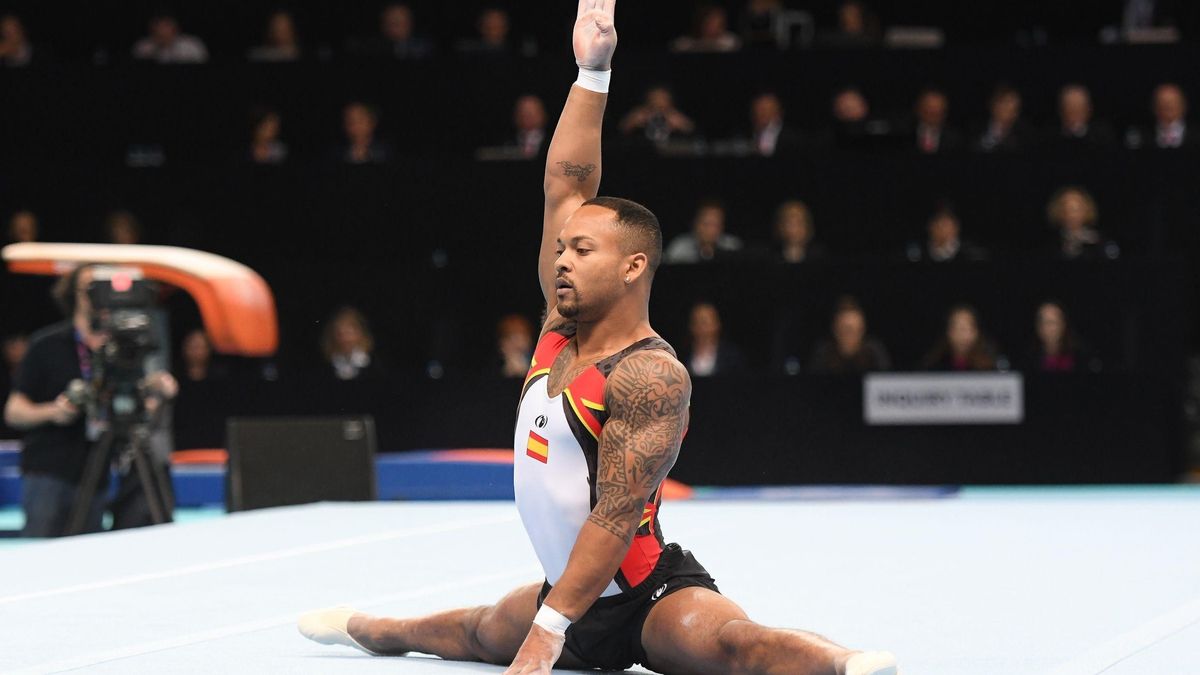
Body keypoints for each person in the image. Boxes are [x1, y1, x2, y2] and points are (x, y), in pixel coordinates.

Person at [299, 4, 897, 674]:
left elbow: (614, 517)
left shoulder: (651, 374)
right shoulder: (558, 328)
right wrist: (592, 70)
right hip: (566, 590)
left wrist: (548, 631)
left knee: (736, 647)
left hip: (645, 594)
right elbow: (566, 183)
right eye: (562, 248)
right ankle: (371, 626)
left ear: (633, 265)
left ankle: (848, 664)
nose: (561, 259)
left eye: (582, 250)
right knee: (467, 631)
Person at [3, 264, 178, 537]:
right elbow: (13, 411)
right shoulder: (45, 345)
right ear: (74, 293)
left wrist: (154, 391)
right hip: (49, 472)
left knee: (87, 559)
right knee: (40, 560)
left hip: (96, 475)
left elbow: (139, 401)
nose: (98, 295)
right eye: (90, 288)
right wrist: (53, 411)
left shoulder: (123, 349)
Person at [809, 297, 891, 373]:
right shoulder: (824, 353)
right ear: (834, 329)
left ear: (863, 329)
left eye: (855, 329)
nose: (850, 335)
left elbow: (887, 380)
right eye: (846, 329)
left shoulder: (873, 352)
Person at [1045, 186, 1119, 261]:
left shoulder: (1099, 242)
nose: (1071, 215)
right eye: (1065, 209)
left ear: (1086, 210)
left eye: (1075, 210)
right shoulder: (1051, 243)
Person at [921, 304, 999, 371]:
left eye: (967, 329)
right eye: (958, 329)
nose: (962, 336)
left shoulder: (990, 368)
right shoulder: (934, 366)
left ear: (976, 332)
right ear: (949, 332)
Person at [663, 199, 744, 264]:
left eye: (715, 224)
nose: (711, 229)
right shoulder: (680, 248)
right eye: (706, 224)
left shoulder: (732, 246)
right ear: (696, 224)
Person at [1029, 301, 1098, 373]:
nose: (1048, 328)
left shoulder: (1082, 358)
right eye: (1043, 322)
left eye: (1053, 322)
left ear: (1063, 324)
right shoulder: (1029, 359)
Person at [904, 203, 988, 263]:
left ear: (956, 226)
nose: (940, 227)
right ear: (929, 226)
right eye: (936, 220)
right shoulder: (916, 255)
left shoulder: (971, 254)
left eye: (945, 222)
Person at [348, 3, 433, 60]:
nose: (394, 28)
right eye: (390, 23)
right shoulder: (370, 49)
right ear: (383, 25)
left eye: (399, 24)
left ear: (409, 24)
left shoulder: (424, 49)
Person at [680, 302, 745, 377]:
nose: (701, 327)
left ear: (717, 325)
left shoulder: (731, 356)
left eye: (704, 322)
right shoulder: (682, 356)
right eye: (696, 322)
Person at [619, 86, 696, 147]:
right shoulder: (640, 115)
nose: (658, 113)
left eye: (663, 108)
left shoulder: (675, 117)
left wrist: (681, 124)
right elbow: (621, 130)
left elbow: (693, 133)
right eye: (653, 106)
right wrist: (633, 121)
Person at [1127, 82, 1195, 150]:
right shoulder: (1140, 138)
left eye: (1172, 104)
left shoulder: (1195, 136)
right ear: (1154, 108)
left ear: (1183, 106)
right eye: (1163, 104)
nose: (1168, 107)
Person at [321, 306, 380, 380]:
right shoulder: (326, 367)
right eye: (339, 333)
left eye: (349, 332)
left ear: (360, 333)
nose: (344, 338)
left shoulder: (376, 365)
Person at [1050, 84, 1115, 149]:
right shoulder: (1050, 137)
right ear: (1061, 111)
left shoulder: (1102, 137)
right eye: (1070, 109)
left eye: (1079, 109)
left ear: (1089, 110)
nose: (1075, 115)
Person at [973, 85, 1032, 153]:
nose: (1012, 114)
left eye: (1015, 109)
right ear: (994, 105)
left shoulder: (1023, 134)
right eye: (1006, 106)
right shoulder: (976, 128)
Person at [131, 12, 209, 64]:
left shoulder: (192, 45)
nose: (162, 30)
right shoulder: (142, 47)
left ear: (175, 28)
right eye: (158, 25)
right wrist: (157, 48)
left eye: (166, 26)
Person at [910, 88, 962, 154]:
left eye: (938, 110)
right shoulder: (905, 133)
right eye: (929, 109)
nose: (933, 114)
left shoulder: (955, 140)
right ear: (919, 109)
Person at [671, 4, 742, 52]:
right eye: (711, 22)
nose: (715, 27)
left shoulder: (730, 42)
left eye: (719, 24)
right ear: (701, 23)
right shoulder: (684, 44)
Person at [497, 314, 535, 378]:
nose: (520, 344)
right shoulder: (490, 376)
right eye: (514, 338)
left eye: (524, 336)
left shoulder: (539, 372)